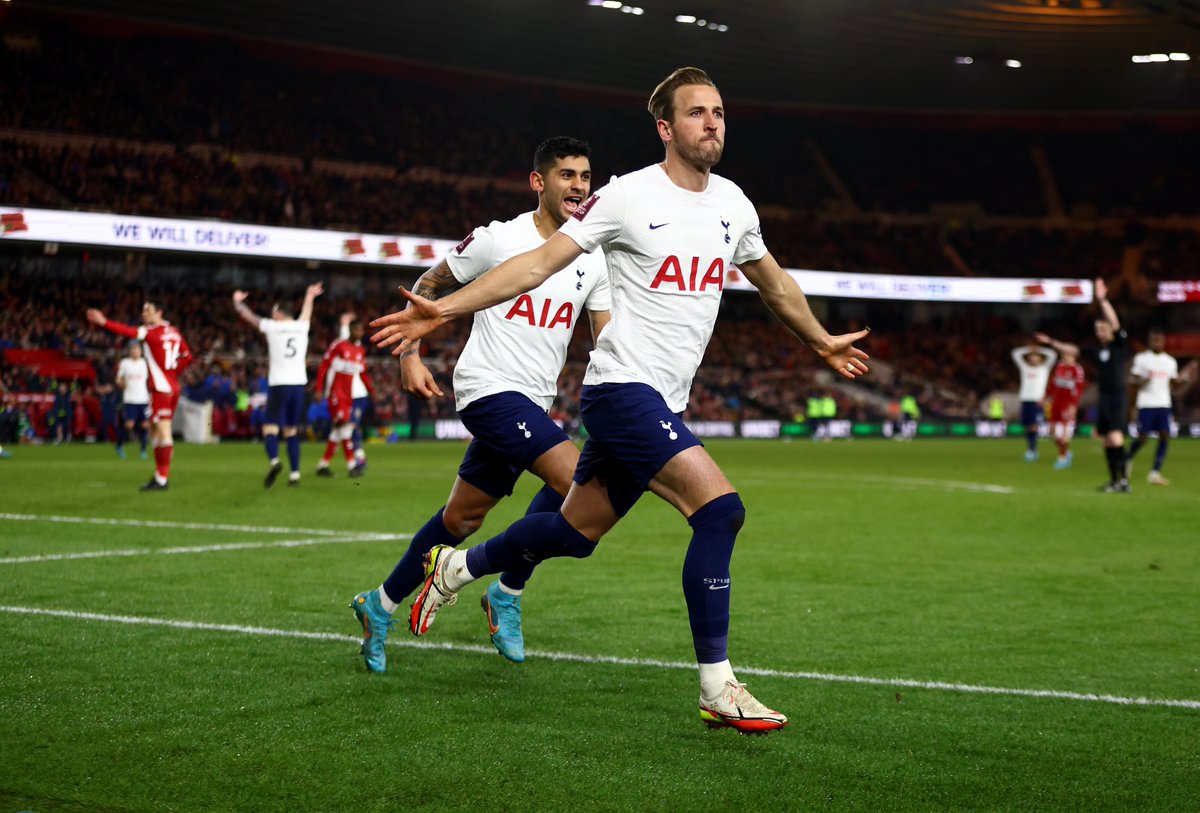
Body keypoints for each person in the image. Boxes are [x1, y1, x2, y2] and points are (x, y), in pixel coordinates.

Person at [369, 68, 870, 734]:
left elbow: (774, 285)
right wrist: (445, 310)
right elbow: (537, 263)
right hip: (620, 392)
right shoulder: (628, 195)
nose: (712, 122)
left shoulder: (734, 205)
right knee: (720, 512)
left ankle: (456, 566)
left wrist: (822, 341)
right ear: (666, 127)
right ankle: (718, 686)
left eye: (719, 111)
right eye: (696, 113)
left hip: (660, 401)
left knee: (575, 534)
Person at [350, 135, 612, 669]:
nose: (579, 186)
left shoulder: (593, 255)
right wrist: (409, 355)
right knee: (575, 484)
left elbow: (606, 337)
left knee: (461, 518)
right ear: (539, 182)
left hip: (534, 403)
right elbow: (430, 282)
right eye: (567, 175)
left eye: (585, 177)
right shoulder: (499, 239)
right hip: (488, 388)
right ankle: (507, 592)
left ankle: (379, 604)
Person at [86, 301, 193, 491]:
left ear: (159, 312)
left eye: (148, 310)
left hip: (161, 388)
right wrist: (173, 373)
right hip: (172, 387)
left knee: (163, 432)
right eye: (143, 310)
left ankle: (162, 479)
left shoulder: (150, 331)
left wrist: (104, 322)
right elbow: (187, 356)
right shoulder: (174, 331)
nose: (144, 313)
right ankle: (159, 474)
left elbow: (127, 331)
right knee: (153, 429)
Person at [1035, 278, 1129, 492]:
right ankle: (1115, 481)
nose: (1099, 332)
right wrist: (1051, 342)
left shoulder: (1118, 344)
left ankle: (1123, 480)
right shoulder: (1095, 350)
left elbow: (1115, 323)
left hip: (1117, 396)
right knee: (1106, 440)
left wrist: (1103, 300)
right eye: (1097, 329)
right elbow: (1073, 350)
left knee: (1115, 437)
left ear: (1110, 330)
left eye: (1102, 329)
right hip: (1103, 397)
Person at [233, 282, 323, 487]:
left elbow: (250, 318)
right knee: (291, 430)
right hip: (298, 385)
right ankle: (294, 475)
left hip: (278, 384)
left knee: (270, 428)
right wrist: (309, 296)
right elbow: (306, 313)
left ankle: (274, 461)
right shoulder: (302, 327)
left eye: (274, 312)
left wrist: (238, 303)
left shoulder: (273, 327)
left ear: (279, 313)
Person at [1126, 329, 1197, 485]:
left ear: (1163, 342)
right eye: (1154, 339)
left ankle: (1155, 473)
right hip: (1146, 403)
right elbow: (1132, 380)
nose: (1157, 342)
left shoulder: (1170, 361)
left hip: (1163, 404)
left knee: (1165, 435)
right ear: (1149, 341)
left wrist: (1185, 377)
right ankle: (1128, 458)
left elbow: (1174, 384)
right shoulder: (1142, 359)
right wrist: (1141, 382)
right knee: (1143, 438)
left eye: (1159, 340)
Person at [314, 318, 374, 478]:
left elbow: (362, 373)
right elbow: (324, 365)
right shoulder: (338, 346)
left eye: (361, 331)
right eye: (356, 330)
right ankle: (352, 465)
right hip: (336, 393)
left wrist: (371, 390)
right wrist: (319, 389)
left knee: (338, 430)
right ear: (350, 330)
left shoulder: (360, 351)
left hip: (348, 395)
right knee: (345, 428)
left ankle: (323, 465)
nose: (359, 333)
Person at [1035, 338, 1085, 470]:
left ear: (1074, 357)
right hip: (1055, 404)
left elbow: (1079, 390)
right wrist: (1045, 397)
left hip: (1067, 406)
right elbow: (1052, 384)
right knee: (1052, 433)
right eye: (1064, 355)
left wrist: (1074, 407)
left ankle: (1062, 458)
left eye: (1068, 355)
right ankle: (1066, 452)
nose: (1066, 357)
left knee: (1063, 435)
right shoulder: (1059, 367)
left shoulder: (1077, 370)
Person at [1011, 344, 1057, 461]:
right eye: (1031, 357)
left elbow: (1053, 355)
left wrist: (1039, 349)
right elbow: (1015, 353)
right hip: (1025, 400)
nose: (1034, 359)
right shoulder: (1025, 368)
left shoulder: (1044, 368)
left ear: (1040, 358)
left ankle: (1033, 450)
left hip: (1037, 401)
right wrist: (1027, 349)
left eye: (1036, 357)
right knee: (1028, 427)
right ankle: (1031, 449)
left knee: (1033, 426)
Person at [115, 341, 151, 460]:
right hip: (130, 399)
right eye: (133, 349)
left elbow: (149, 380)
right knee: (129, 425)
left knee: (145, 425)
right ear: (130, 351)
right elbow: (118, 379)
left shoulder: (145, 363)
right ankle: (119, 445)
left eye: (137, 349)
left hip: (143, 398)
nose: (135, 351)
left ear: (141, 351)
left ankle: (143, 450)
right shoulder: (125, 363)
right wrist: (120, 383)